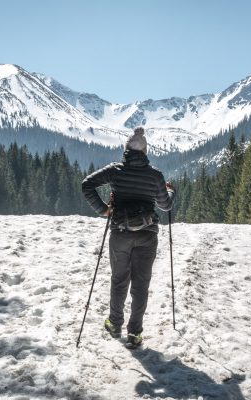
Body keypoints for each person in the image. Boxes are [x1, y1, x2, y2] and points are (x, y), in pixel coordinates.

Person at [82, 126, 175, 348]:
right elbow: (166, 205)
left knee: (119, 279)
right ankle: (135, 334)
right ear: (145, 151)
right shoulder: (155, 175)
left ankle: (114, 325)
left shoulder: (115, 170)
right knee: (141, 284)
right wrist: (170, 191)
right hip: (147, 235)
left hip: (120, 234)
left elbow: (87, 184)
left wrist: (104, 209)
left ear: (126, 149)